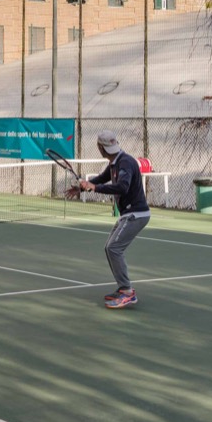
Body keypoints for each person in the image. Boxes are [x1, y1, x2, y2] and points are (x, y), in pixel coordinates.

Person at [73, 131, 151, 309]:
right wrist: (83, 187)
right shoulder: (115, 162)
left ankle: (127, 292)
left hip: (136, 214)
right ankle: (123, 289)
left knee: (114, 248)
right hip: (129, 214)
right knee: (110, 248)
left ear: (100, 148)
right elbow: (100, 179)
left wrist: (94, 187)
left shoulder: (125, 162)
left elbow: (123, 187)